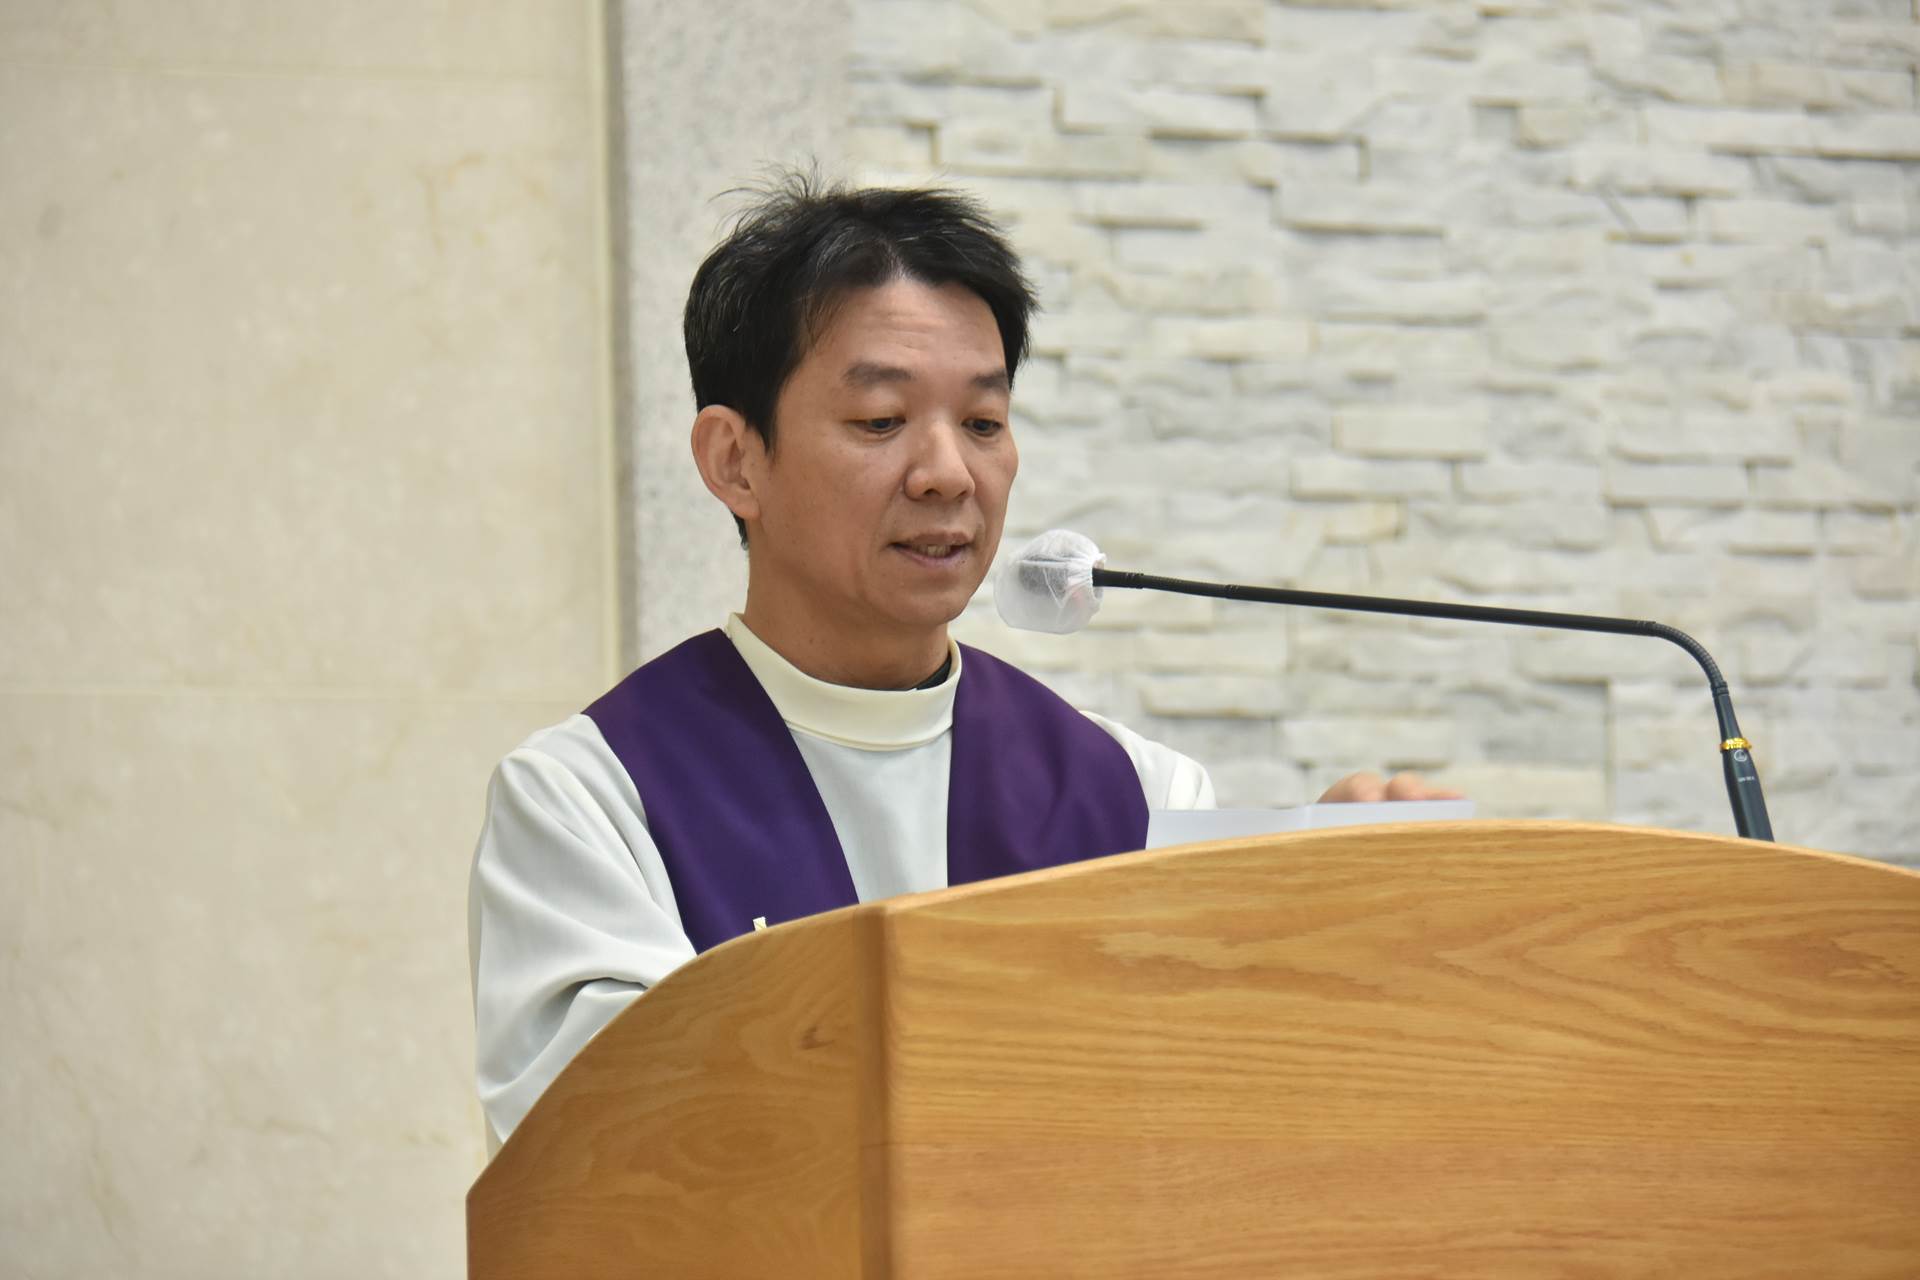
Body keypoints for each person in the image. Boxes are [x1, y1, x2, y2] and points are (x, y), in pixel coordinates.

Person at [467, 176, 1455, 1149]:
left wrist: (1323, 929)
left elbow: (1221, 1129)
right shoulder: (593, 801)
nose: (948, 473)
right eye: (880, 421)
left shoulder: (1137, 795)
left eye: (983, 423)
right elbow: (614, 1157)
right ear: (735, 460)